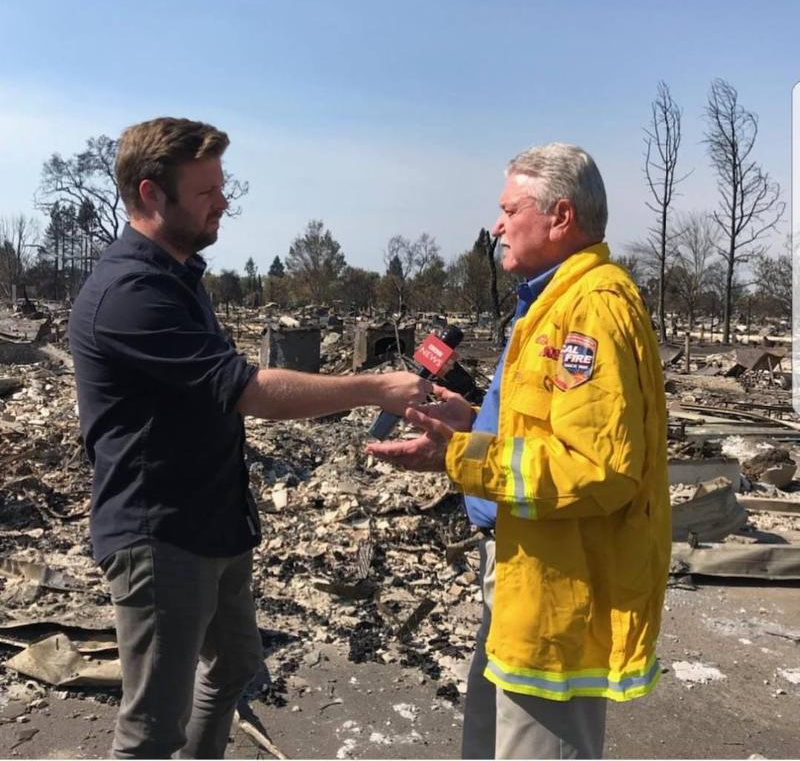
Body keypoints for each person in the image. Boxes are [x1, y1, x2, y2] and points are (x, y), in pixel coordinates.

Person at [68, 117, 432, 759]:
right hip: (161, 535)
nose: (224, 202)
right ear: (152, 194)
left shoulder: (177, 277)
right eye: (207, 191)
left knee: (236, 665)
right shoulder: (130, 293)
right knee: (151, 728)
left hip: (216, 523)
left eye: (223, 187)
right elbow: (249, 390)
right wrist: (375, 387)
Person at [368, 142, 671, 760]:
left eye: (510, 211)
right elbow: (542, 429)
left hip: (559, 596)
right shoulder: (548, 303)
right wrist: (472, 422)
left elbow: (598, 469)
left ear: (561, 217)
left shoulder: (591, 310)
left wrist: (458, 457)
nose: (496, 225)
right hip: (523, 574)